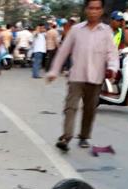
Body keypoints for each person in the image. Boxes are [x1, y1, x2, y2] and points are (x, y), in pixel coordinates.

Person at [48, 0, 119, 152]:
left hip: (96, 77)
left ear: (101, 11)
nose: (94, 11)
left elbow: (112, 53)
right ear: (86, 10)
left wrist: (112, 68)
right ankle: (66, 137)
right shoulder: (76, 30)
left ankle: (84, 136)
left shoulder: (106, 31)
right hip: (76, 76)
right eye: (91, 8)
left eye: (97, 8)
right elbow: (64, 51)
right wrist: (54, 70)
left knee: (89, 109)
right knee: (70, 107)